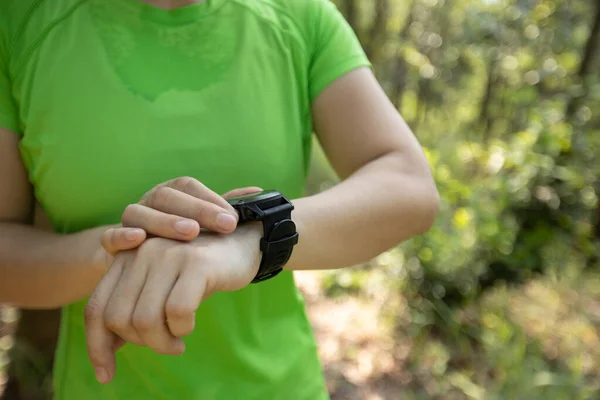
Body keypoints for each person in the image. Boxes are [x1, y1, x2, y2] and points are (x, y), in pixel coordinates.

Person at [0, 0, 439, 398]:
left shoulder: (299, 14)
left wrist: (252, 238)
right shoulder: (19, 22)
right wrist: (129, 252)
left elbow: (409, 185)